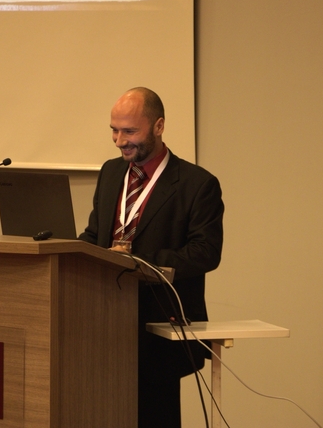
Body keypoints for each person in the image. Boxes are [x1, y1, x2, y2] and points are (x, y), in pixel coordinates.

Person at [79, 87, 224, 427]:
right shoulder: (110, 172)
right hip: (103, 323)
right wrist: (74, 253)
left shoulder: (197, 184)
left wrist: (137, 260)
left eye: (129, 131)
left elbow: (206, 252)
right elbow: (95, 235)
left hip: (157, 330)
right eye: (114, 130)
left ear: (158, 126)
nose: (119, 141)